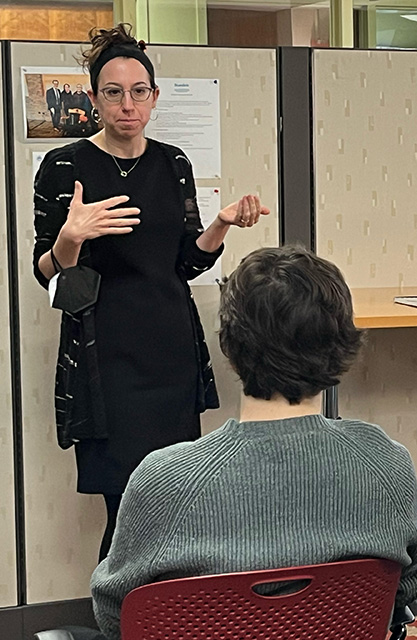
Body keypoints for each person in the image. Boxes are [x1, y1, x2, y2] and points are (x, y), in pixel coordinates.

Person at [73, 246, 417, 640]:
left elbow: (115, 611)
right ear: (342, 344)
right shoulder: (385, 463)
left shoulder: (165, 480)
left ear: (229, 347)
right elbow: (407, 583)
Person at [31, 23, 270, 563]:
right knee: (126, 513)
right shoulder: (65, 166)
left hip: (171, 356)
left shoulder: (172, 162)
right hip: (105, 362)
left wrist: (222, 224)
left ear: (155, 97)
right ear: (93, 98)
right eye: (112, 93)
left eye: (139, 92)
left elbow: (185, 261)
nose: (127, 105)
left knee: (177, 505)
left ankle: (173, 618)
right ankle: (122, 618)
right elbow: (48, 274)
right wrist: (69, 240)